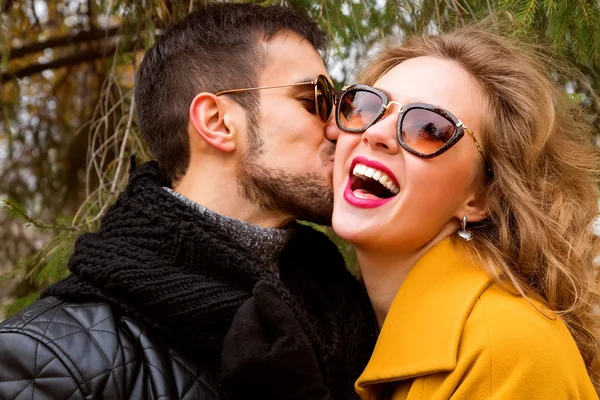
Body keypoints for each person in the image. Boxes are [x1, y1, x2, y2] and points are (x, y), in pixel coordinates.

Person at [0, 4, 378, 399]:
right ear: (216, 123)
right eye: (313, 99)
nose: (338, 126)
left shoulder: (351, 313)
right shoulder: (47, 360)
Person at [331, 27, 600, 399]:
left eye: (429, 129)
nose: (377, 132)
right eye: (367, 105)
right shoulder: (341, 325)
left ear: (480, 197)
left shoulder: (506, 350)